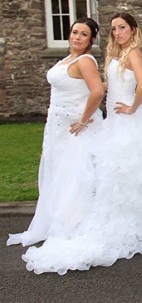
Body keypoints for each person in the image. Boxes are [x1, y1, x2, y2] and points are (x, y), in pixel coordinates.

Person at [19, 13, 142, 274]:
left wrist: (132, 107)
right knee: (113, 178)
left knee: (130, 176)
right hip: (113, 123)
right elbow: (109, 84)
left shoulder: (132, 54)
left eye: (122, 28)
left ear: (133, 30)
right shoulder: (117, 55)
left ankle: (138, 222)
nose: (117, 33)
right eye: (114, 29)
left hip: (128, 122)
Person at [7, 17, 104, 248]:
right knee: (59, 172)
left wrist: (82, 120)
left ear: (90, 40)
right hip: (57, 126)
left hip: (76, 129)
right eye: (74, 32)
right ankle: (58, 220)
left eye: (83, 34)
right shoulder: (68, 59)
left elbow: (97, 92)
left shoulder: (85, 61)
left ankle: (74, 222)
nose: (77, 37)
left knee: (75, 175)